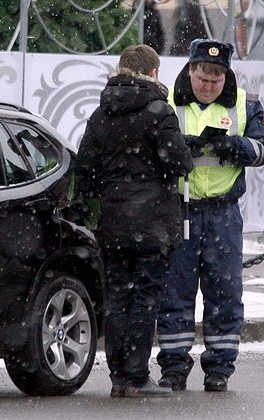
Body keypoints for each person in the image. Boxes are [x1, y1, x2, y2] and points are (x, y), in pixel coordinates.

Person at [75, 44, 193, 398]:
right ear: (154, 73)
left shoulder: (101, 114)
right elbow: (179, 164)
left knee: (118, 298)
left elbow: (86, 171)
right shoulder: (159, 111)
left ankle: (118, 378)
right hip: (153, 222)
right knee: (146, 298)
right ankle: (137, 375)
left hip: (113, 221)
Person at [156, 38, 264, 392]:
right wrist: (176, 149)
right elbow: (149, 148)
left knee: (224, 291)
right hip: (179, 209)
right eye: (203, 79)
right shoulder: (166, 102)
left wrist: (233, 147)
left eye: (216, 80)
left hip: (222, 211)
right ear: (191, 69)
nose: (208, 87)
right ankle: (174, 367)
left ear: (226, 76)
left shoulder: (246, 103)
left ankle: (220, 367)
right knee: (175, 291)